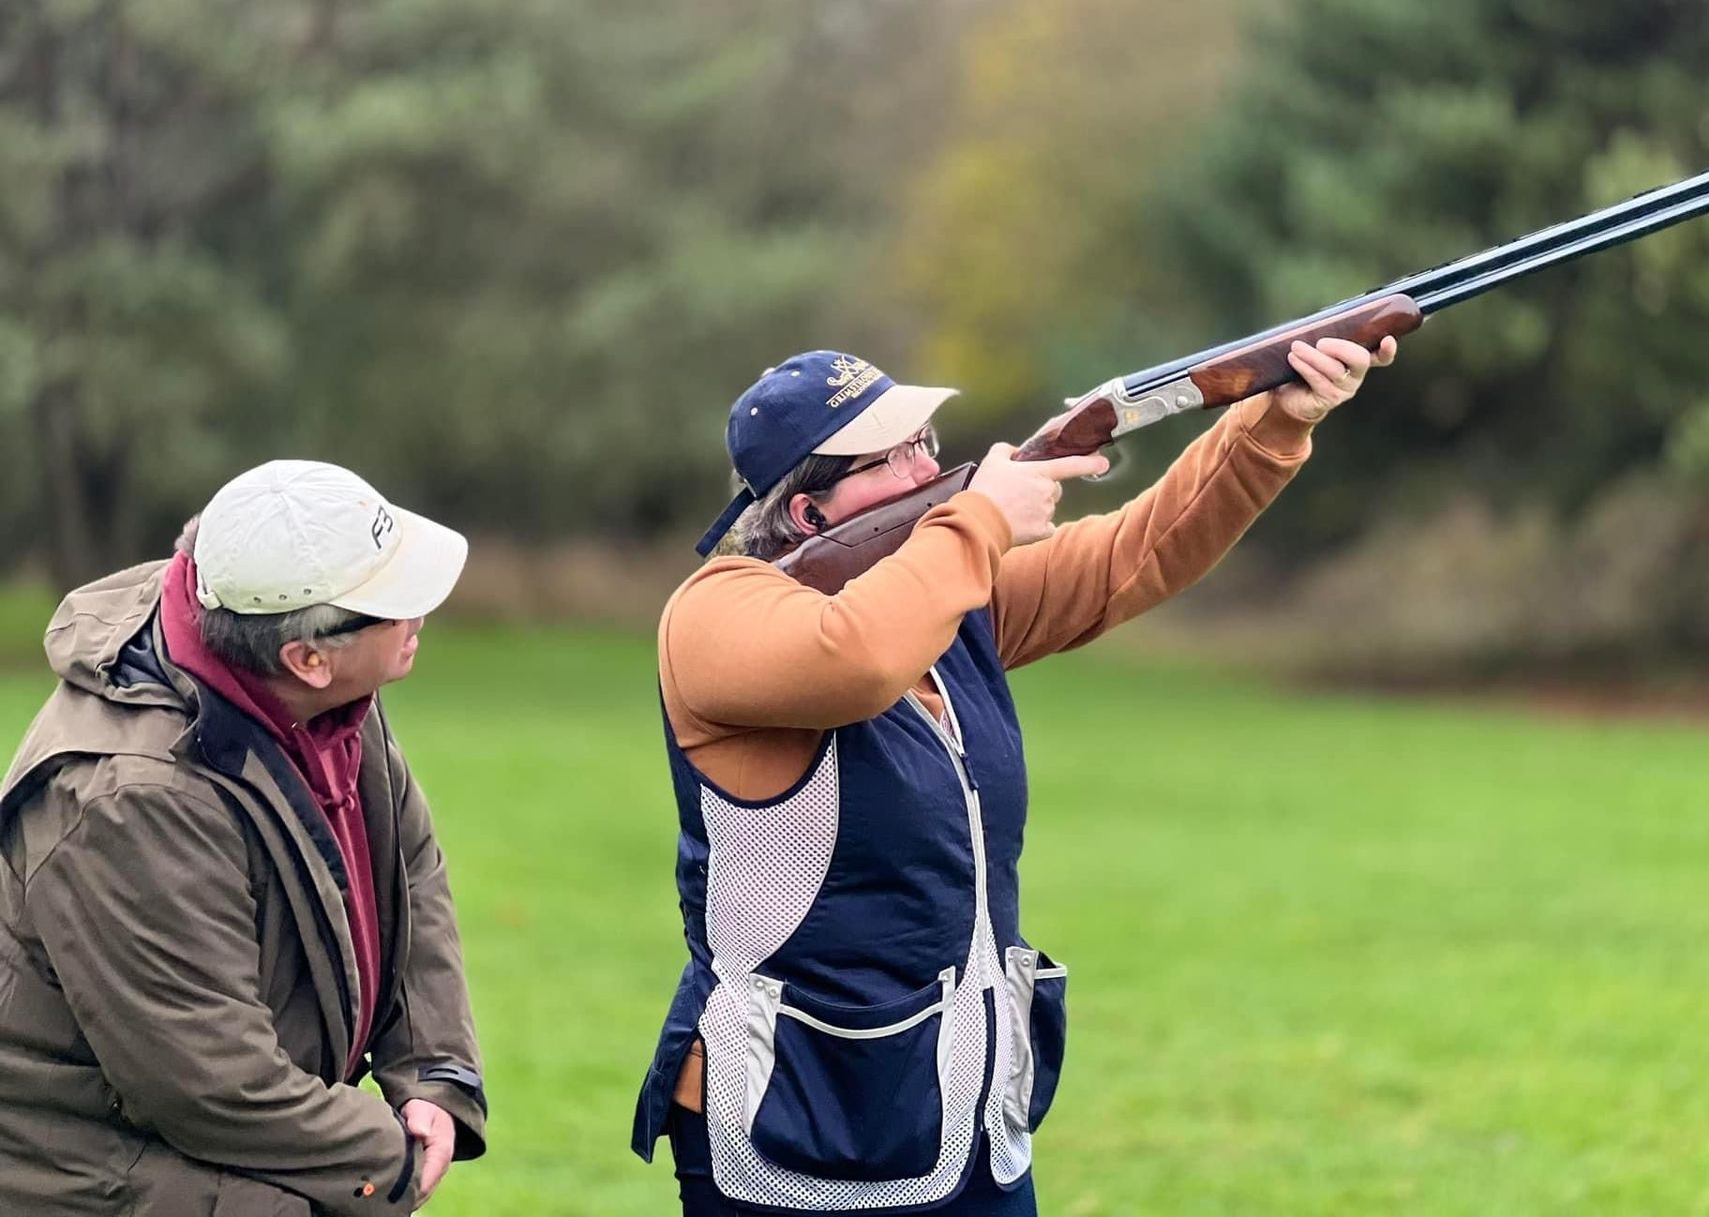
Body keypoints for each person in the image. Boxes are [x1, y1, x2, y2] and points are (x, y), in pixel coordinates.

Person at [633, 337, 1393, 1215]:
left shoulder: (948, 601)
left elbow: (1132, 556)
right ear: (808, 515)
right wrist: (983, 519)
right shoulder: (716, 614)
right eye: (897, 456)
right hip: (793, 1122)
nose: (935, 466)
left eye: (926, 439)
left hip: (968, 1117)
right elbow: (858, 657)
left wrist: (1270, 422)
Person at [0, 460, 487, 1215]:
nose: (421, 612)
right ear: (308, 658)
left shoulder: (322, 685)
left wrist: (433, 1075)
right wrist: (382, 1156)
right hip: (98, 1170)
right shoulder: (131, 801)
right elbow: (207, 1079)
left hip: (218, 1146)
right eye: (395, 602)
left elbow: (408, 870)